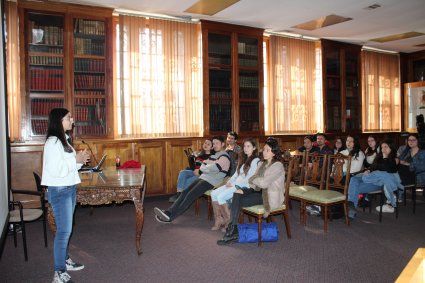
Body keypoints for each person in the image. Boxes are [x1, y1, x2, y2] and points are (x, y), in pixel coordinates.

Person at [41, 108, 90, 283]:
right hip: (60, 190)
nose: (72, 120)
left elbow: (68, 167)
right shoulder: (53, 142)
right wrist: (74, 160)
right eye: (69, 117)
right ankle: (59, 272)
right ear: (59, 121)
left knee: (66, 230)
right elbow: (56, 170)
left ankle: (64, 260)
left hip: (68, 188)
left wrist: (79, 161)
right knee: (63, 231)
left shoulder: (64, 141)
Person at [217, 137, 285, 245]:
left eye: (268, 150)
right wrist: (244, 191)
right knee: (237, 195)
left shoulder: (277, 166)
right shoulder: (262, 164)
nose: (264, 151)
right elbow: (252, 182)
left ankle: (232, 232)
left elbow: (263, 183)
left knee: (236, 201)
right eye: (264, 149)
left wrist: (254, 179)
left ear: (274, 153)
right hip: (260, 193)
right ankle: (233, 230)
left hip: (270, 197)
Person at [154, 136, 230, 223]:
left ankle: (170, 217)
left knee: (190, 196)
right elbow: (205, 165)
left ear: (223, 144)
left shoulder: (224, 156)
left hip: (211, 181)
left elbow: (213, 168)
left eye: (217, 143)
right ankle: (168, 212)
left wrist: (204, 166)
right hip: (204, 177)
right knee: (184, 192)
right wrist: (206, 166)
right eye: (214, 143)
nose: (215, 145)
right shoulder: (214, 155)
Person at [210, 138, 260, 231]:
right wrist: (230, 181)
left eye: (248, 146)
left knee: (221, 197)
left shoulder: (255, 161)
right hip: (235, 183)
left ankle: (229, 223)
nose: (245, 148)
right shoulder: (243, 158)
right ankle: (219, 220)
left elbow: (249, 179)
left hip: (244, 187)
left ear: (254, 148)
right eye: (244, 146)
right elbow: (236, 174)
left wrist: (234, 184)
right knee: (213, 193)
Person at [347, 139, 402, 218]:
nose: (383, 149)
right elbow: (372, 167)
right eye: (382, 147)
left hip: (379, 183)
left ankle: (350, 209)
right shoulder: (378, 157)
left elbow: (389, 170)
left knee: (353, 188)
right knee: (354, 179)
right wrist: (369, 170)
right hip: (370, 178)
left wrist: (385, 157)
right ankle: (351, 209)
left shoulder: (395, 159)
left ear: (391, 148)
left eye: (386, 147)